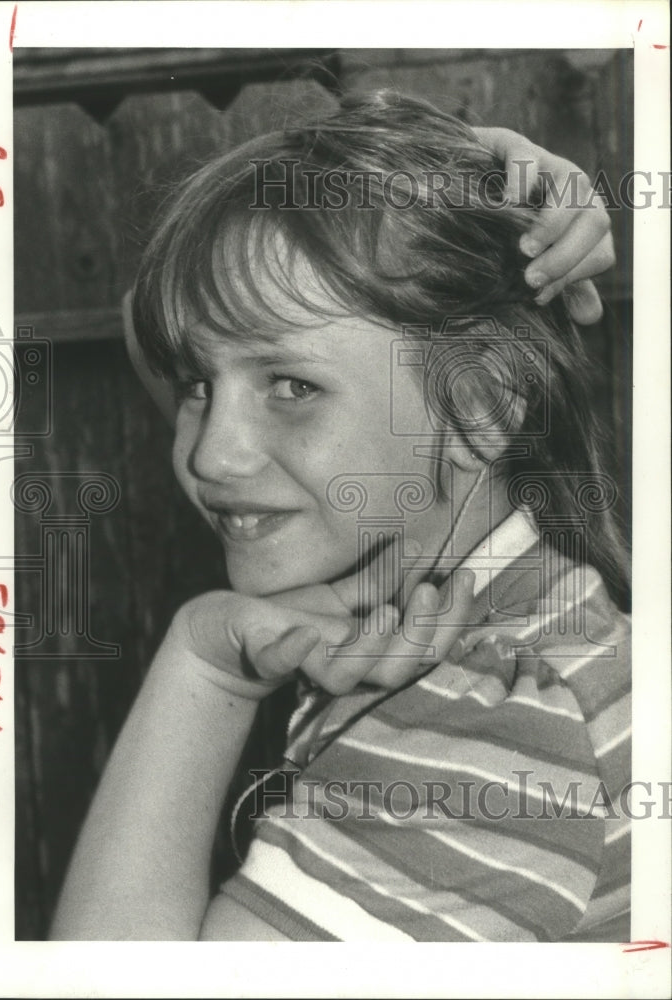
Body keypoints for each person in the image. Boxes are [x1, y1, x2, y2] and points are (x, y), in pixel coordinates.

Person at [50, 92, 630, 942]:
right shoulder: (539, 616)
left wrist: (201, 669)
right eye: (196, 388)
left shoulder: (488, 726)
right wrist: (454, 174)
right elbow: (161, 320)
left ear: (479, 410)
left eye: (291, 387)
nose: (214, 456)